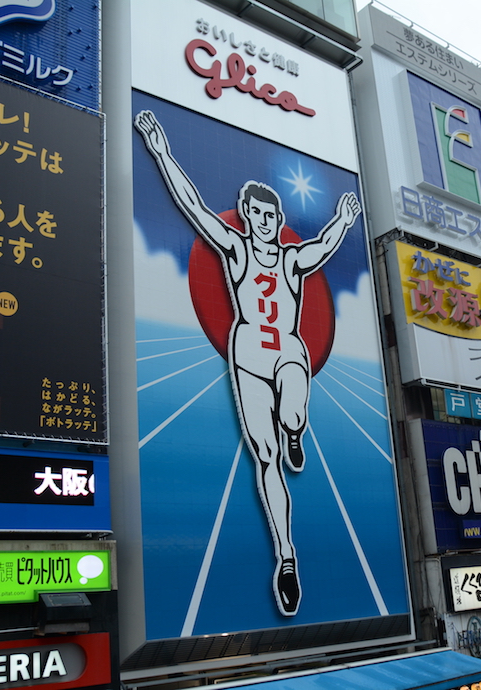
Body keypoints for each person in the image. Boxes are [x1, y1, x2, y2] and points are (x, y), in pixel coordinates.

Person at [135, 110, 361, 616]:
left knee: (292, 413)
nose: (263, 222)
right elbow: (192, 207)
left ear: (278, 222)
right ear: (247, 215)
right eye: (255, 214)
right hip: (248, 357)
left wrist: (344, 219)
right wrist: (161, 151)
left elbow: (323, 245)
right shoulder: (235, 251)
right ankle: (286, 556)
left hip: (286, 350)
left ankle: (296, 426)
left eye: (270, 216)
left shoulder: (291, 259)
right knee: (265, 457)